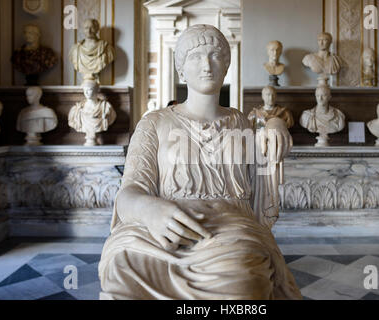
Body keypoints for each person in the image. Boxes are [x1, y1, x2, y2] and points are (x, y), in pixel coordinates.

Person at [98, 24, 302, 300]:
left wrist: (276, 123)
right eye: (195, 56)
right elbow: (129, 192)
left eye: (215, 55)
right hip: (163, 228)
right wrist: (149, 210)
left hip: (227, 231)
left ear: (226, 67)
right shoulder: (154, 123)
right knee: (121, 264)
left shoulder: (242, 124)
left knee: (241, 281)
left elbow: (265, 139)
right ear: (181, 69)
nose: (207, 65)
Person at [68, 79, 117, 146]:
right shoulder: (77, 110)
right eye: (84, 90)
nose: (86, 92)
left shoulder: (106, 108)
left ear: (96, 90)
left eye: (89, 90)